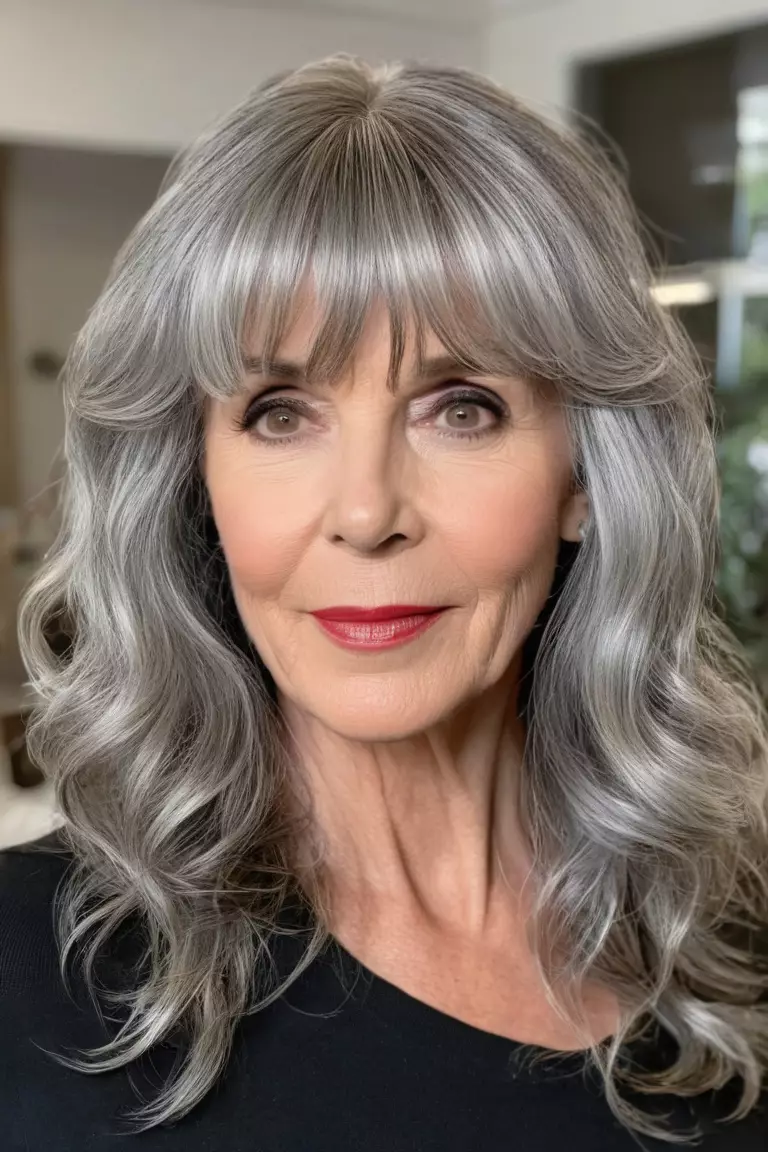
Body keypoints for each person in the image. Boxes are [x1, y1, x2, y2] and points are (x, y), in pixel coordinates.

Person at [2, 53, 768, 1151]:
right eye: (278, 411)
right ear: (195, 479)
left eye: (460, 408)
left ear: (588, 476)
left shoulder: (728, 941)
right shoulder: (26, 972)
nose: (366, 513)